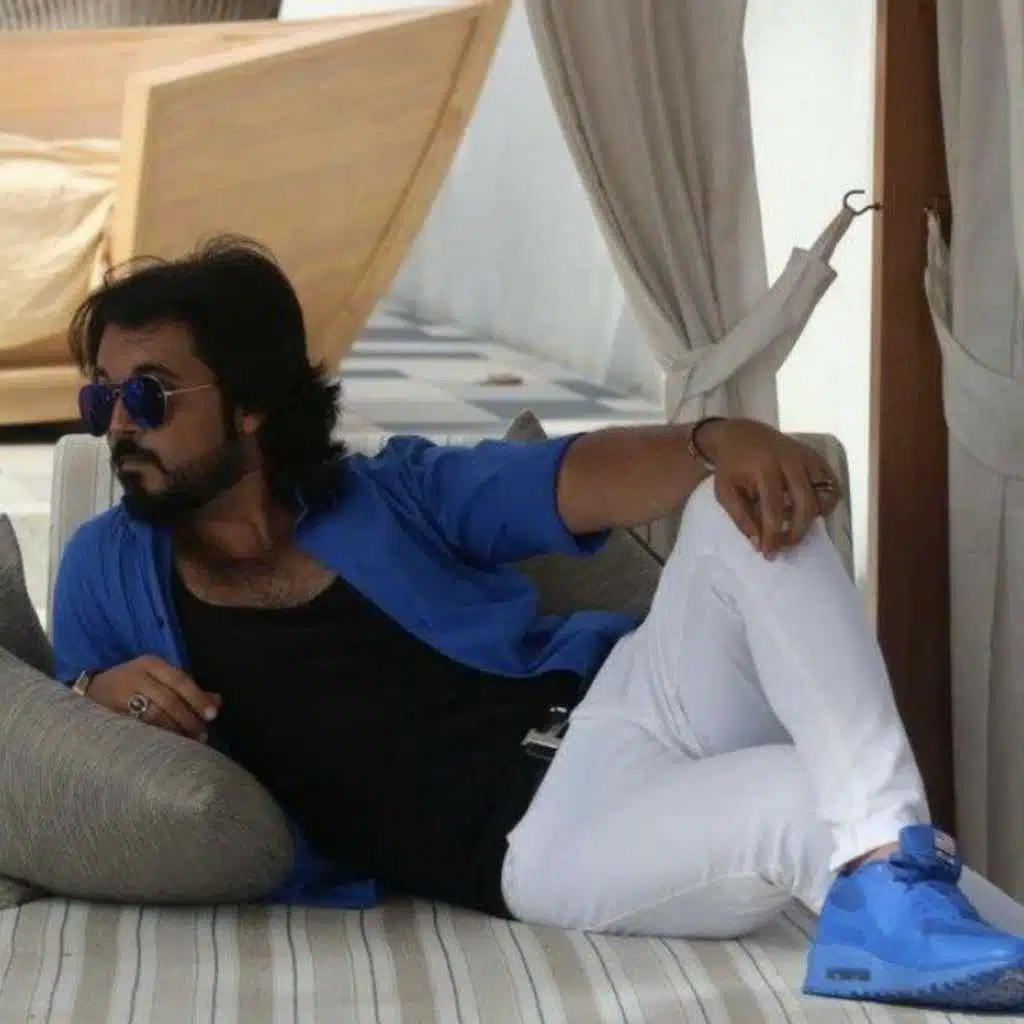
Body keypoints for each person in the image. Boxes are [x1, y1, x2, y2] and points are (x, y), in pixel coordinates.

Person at [51, 237, 1024, 1014]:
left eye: (147, 395)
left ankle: (895, 895)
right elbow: (67, 755)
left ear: (252, 406)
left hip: (621, 708)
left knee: (740, 500)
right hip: (544, 839)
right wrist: (95, 694)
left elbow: (569, 476)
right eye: (102, 396)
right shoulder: (108, 566)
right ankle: (909, 896)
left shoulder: (389, 495)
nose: (117, 424)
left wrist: (719, 439)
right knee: (812, 797)